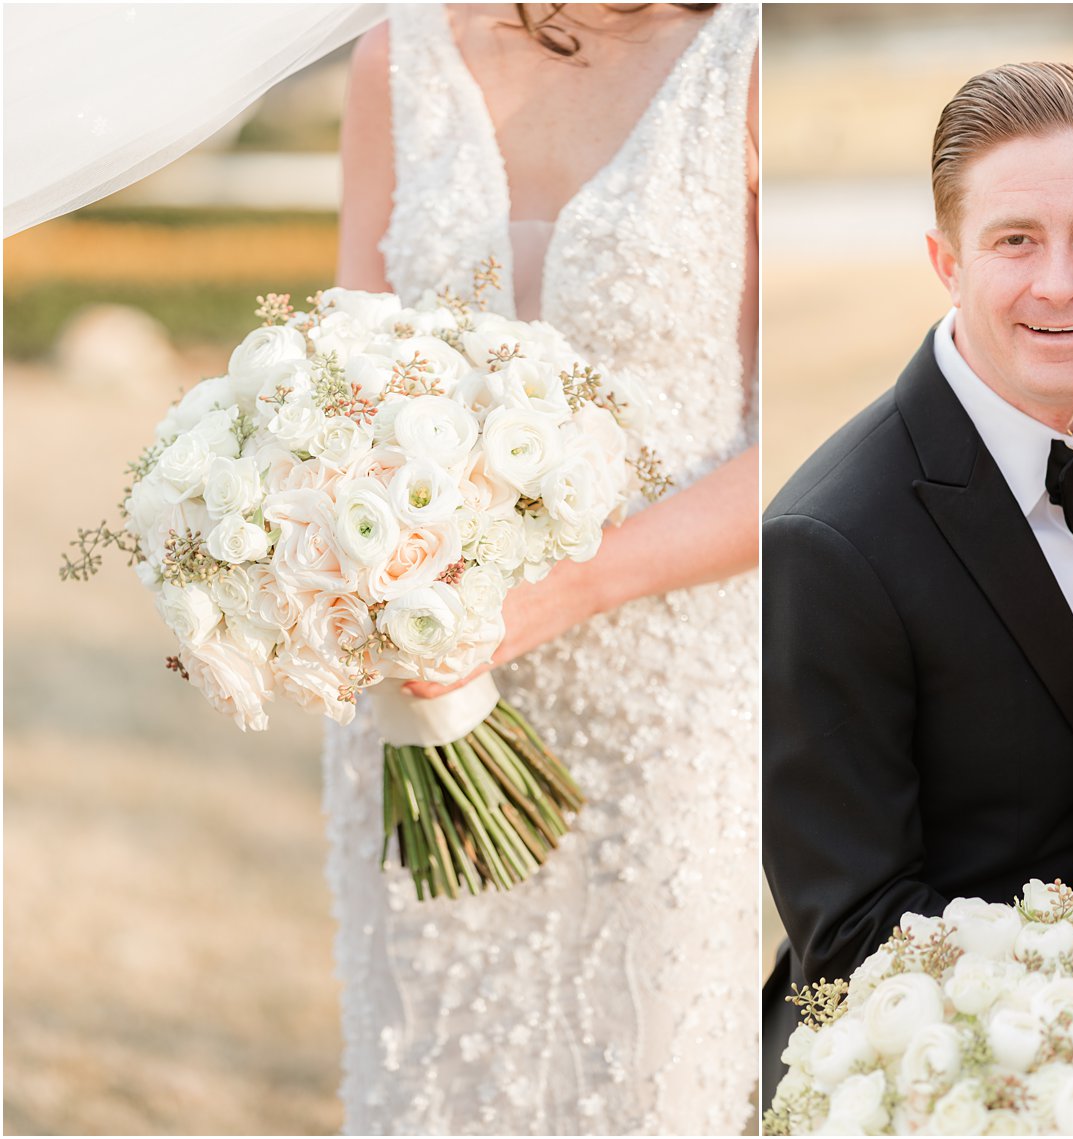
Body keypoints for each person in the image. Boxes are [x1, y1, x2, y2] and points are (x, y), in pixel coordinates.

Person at [330, 4, 759, 1133]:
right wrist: (348, 554)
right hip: (426, 692)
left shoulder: (747, 60)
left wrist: (566, 586)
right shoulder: (397, 57)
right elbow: (340, 377)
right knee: (435, 1081)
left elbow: (795, 455)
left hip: (667, 704)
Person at [762, 62, 1073, 1100]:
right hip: (947, 1074)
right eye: (1015, 239)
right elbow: (851, 933)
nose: (1060, 282)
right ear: (945, 258)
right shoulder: (825, 545)